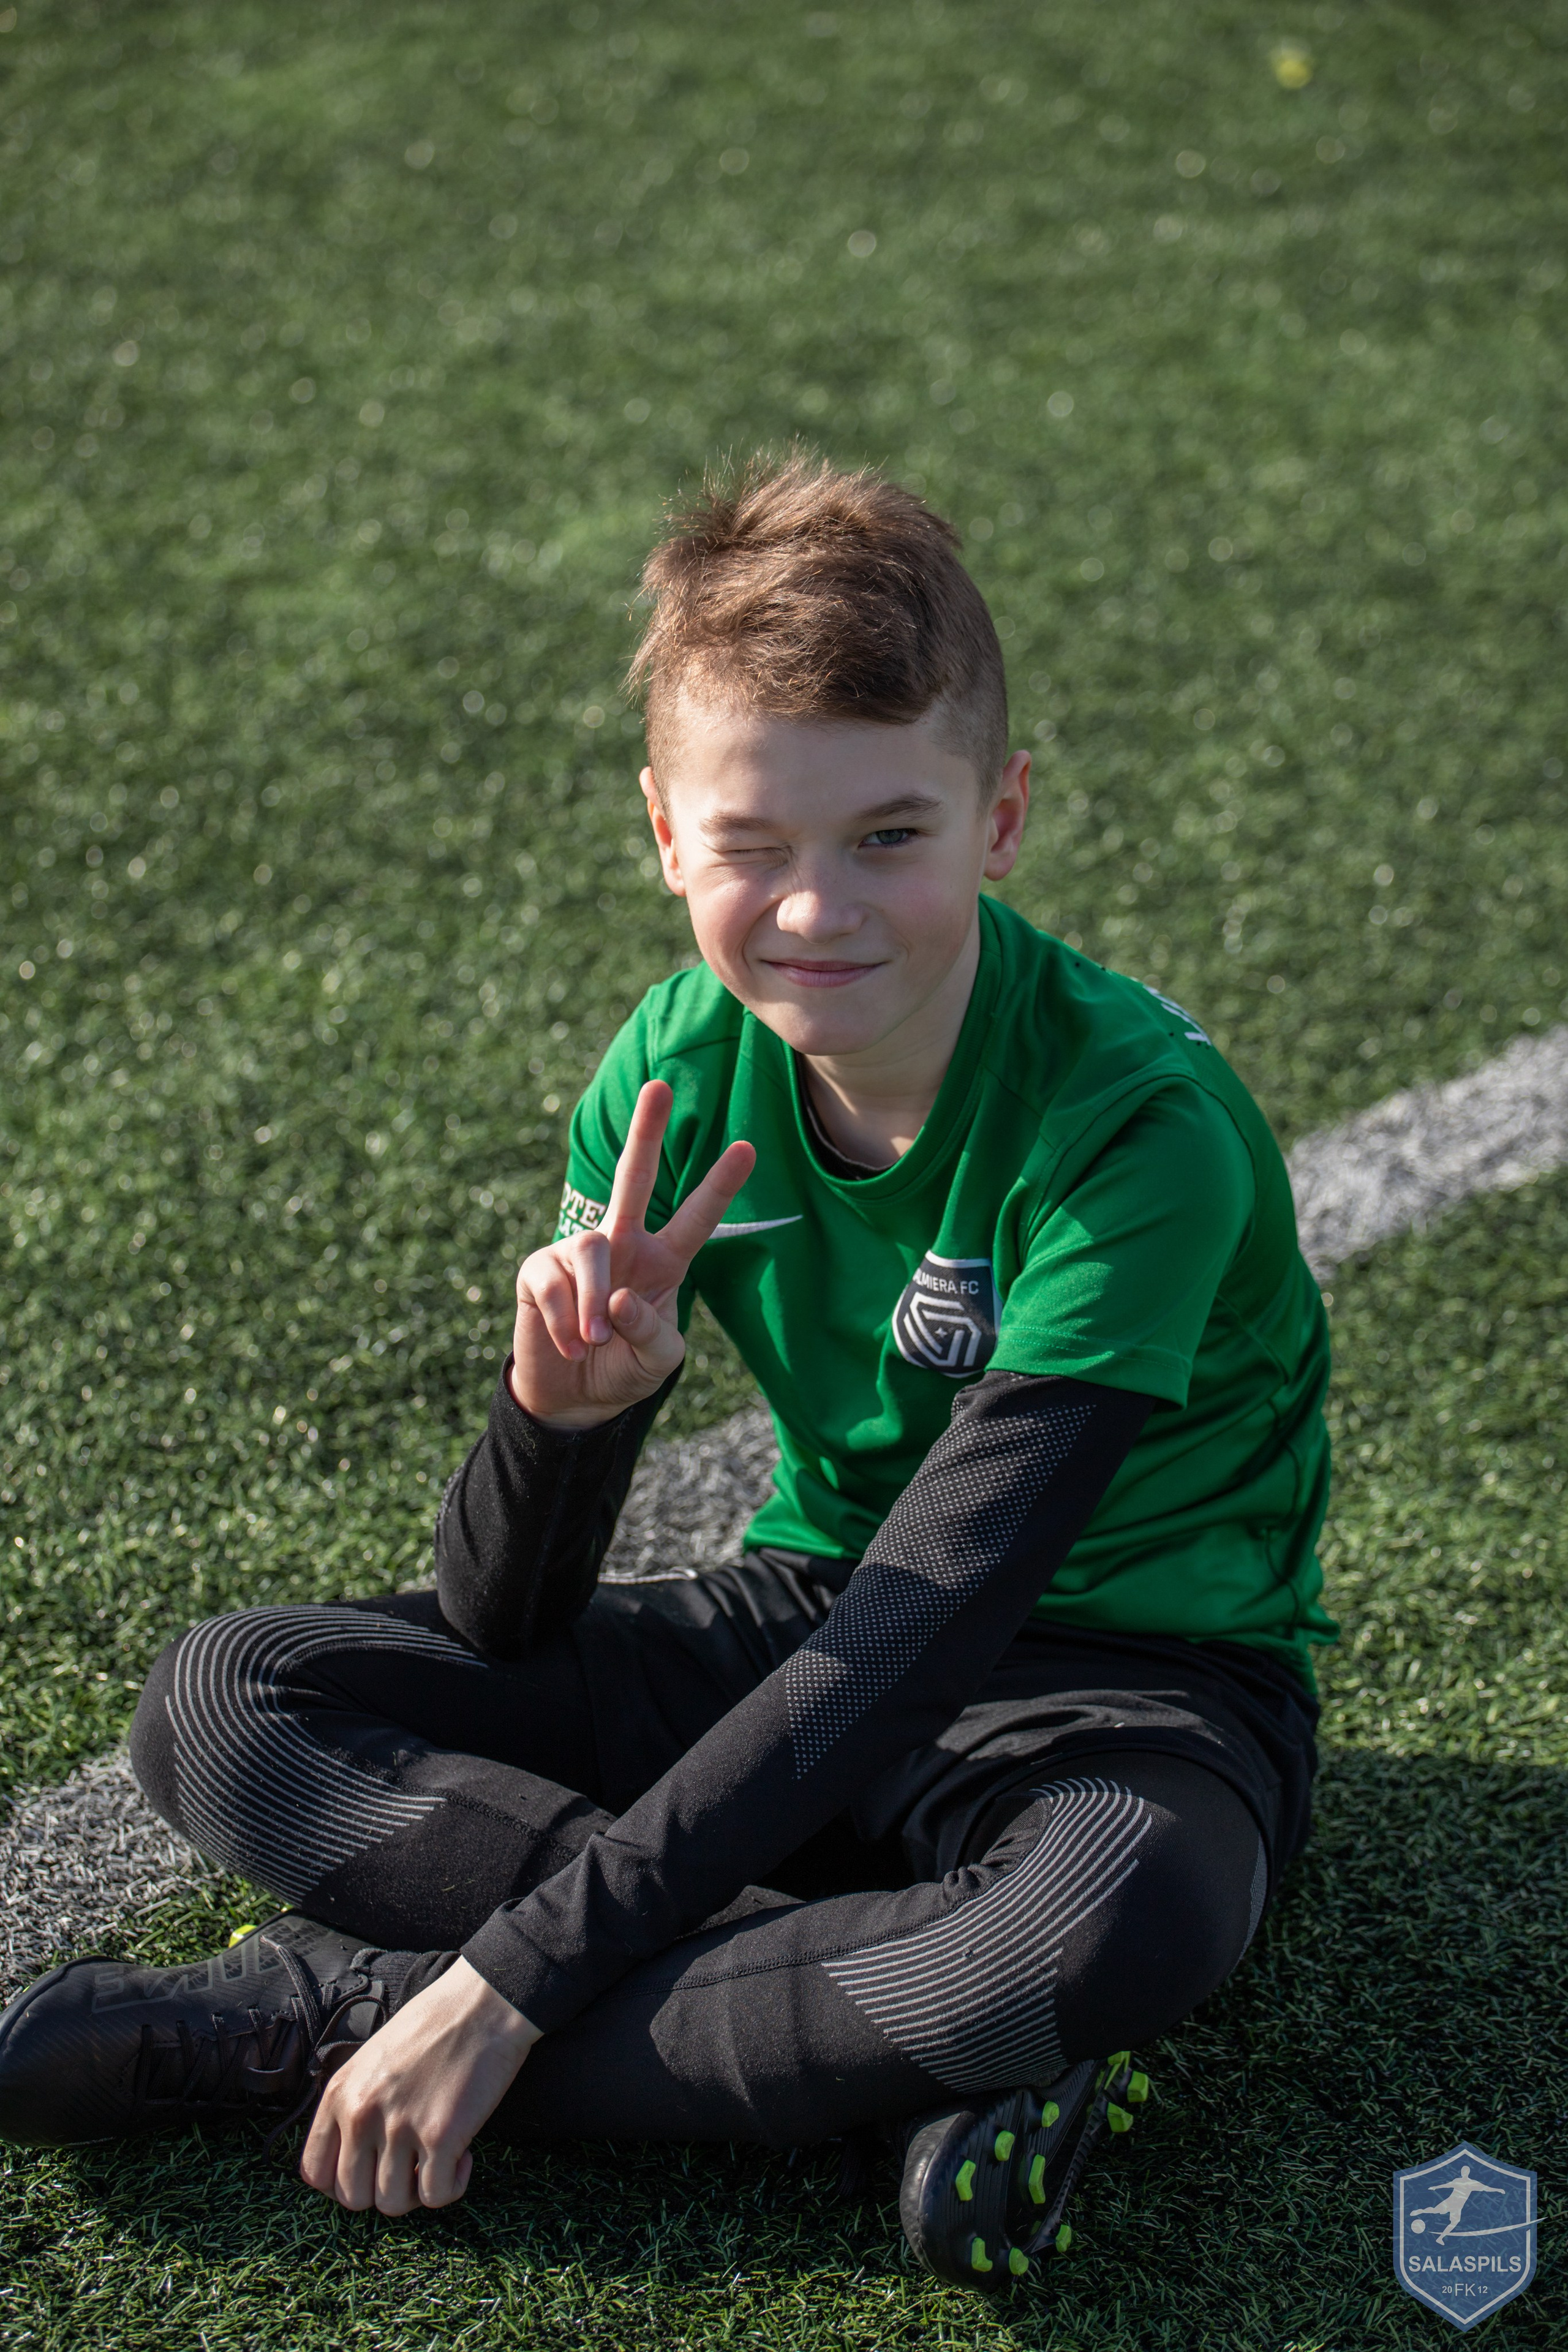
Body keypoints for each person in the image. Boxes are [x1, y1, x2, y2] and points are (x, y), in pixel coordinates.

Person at [0, 456, 1333, 2291]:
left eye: (889, 836)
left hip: (1126, 1692)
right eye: (752, 847)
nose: (814, 912)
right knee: (227, 1700)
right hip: (804, 1610)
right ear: (662, 832)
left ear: (1000, 816)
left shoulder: (1136, 1130)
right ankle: (884, 2032)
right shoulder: (674, 1067)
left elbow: (930, 1628)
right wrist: (564, 1421)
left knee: (1103, 1917)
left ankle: (314, 2016)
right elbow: (507, 1613)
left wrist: (505, 1979)